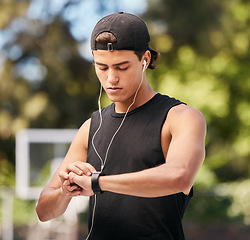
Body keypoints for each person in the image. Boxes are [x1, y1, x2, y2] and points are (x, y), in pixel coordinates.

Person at [36, 12, 206, 240]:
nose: (111, 79)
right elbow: (44, 211)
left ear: (145, 59)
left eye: (122, 67)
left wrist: (97, 183)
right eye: (102, 67)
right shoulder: (91, 127)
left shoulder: (181, 117)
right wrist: (66, 192)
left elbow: (180, 176)